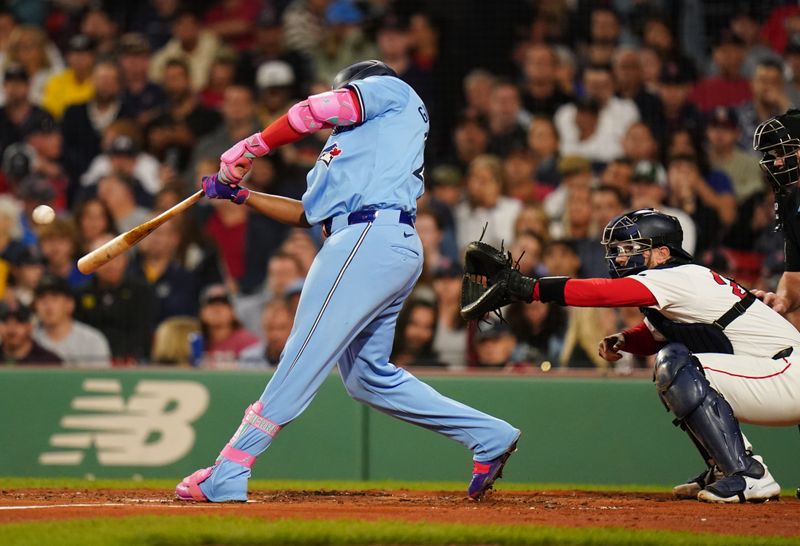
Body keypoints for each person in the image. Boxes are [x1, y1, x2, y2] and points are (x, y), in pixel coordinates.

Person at [175, 60, 520, 503]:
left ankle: (231, 468)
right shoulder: (351, 152)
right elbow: (307, 214)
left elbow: (314, 111)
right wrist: (241, 195)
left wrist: (252, 146)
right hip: (378, 243)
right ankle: (489, 435)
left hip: (368, 239)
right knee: (366, 377)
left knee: (301, 355)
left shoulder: (392, 92)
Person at [462, 208, 800, 503]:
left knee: (677, 364)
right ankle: (725, 467)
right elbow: (655, 334)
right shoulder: (680, 283)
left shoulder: (679, 276)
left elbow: (606, 294)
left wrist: (531, 288)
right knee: (673, 356)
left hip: (787, 374)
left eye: (631, 249)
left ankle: (747, 474)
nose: (621, 257)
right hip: (777, 373)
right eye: (618, 249)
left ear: (663, 252)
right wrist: (624, 339)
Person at [752, 109, 800, 314]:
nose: (778, 163)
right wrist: (783, 300)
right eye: (776, 155)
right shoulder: (792, 203)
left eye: (785, 153)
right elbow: (794, 277)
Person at [31, 274, 111, 367]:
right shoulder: (30, 340)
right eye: (42, 299)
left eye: (54, 298)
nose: (48, 306)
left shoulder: (92, 340)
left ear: (70, 304)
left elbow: (100, 379)